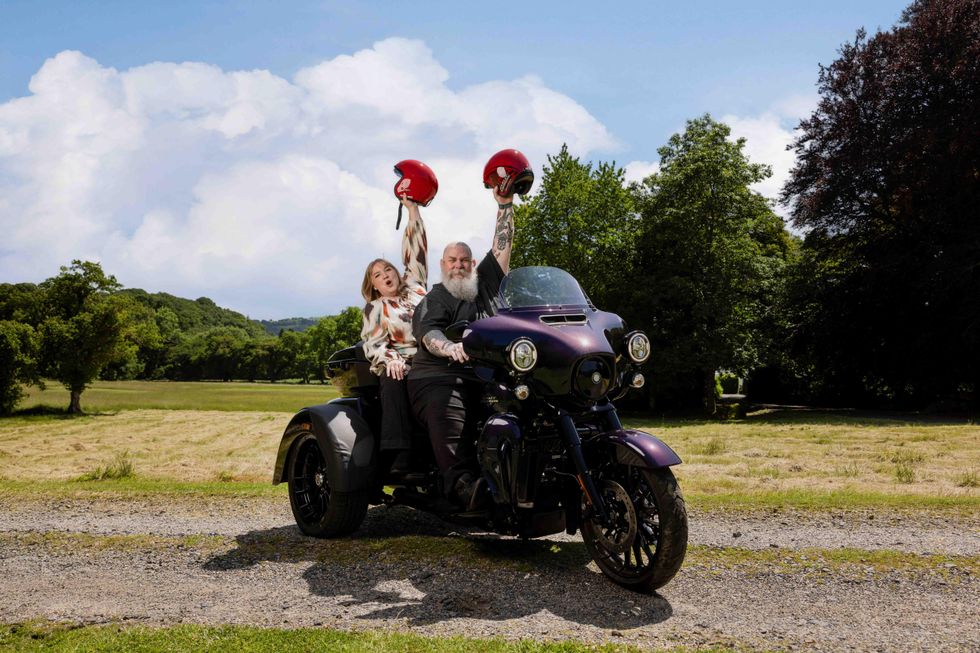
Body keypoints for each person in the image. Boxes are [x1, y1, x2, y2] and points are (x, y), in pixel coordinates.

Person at [406, 185, 515, 509]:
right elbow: (429, 333)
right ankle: (463, 486)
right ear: (443, 264)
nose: (459, 265)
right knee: (449, 408)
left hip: (484, 374)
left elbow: (502, 247)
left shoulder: (486, 286)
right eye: (453, 260)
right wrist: (449, 348)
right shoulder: (435, 297)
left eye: (465, 260)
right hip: (438, 376)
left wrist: (506, 205)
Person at [360, 195, 428, 474]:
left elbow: (416, 252)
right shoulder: (376, 307)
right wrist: (391, 360)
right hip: (406, 364)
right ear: (374, 286)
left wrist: (412, 211)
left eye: (388, 268)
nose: (385, 274)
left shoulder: (417, 289)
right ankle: (399, 454)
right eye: (377, 274)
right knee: (393, 374)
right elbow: (373, 344)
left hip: (436, 356)